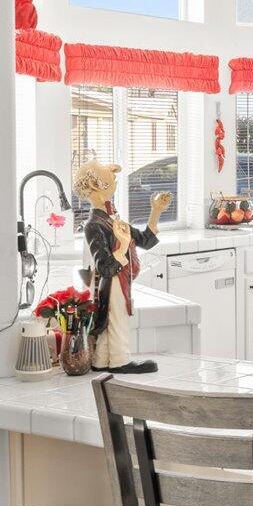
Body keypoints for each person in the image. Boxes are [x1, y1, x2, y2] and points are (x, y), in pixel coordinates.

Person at [74, 159, 171, 374]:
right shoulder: (94, 225)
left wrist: (156, 211)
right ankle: (119, 361)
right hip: (112, 280)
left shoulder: (113, 220)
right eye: (112, 184)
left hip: (121, 278)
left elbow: (145, 240)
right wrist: (123, 245)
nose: (114, 188)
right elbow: (105, 266)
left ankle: (102, 360)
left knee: (113, 318)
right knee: (117, 317)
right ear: (97, 190)